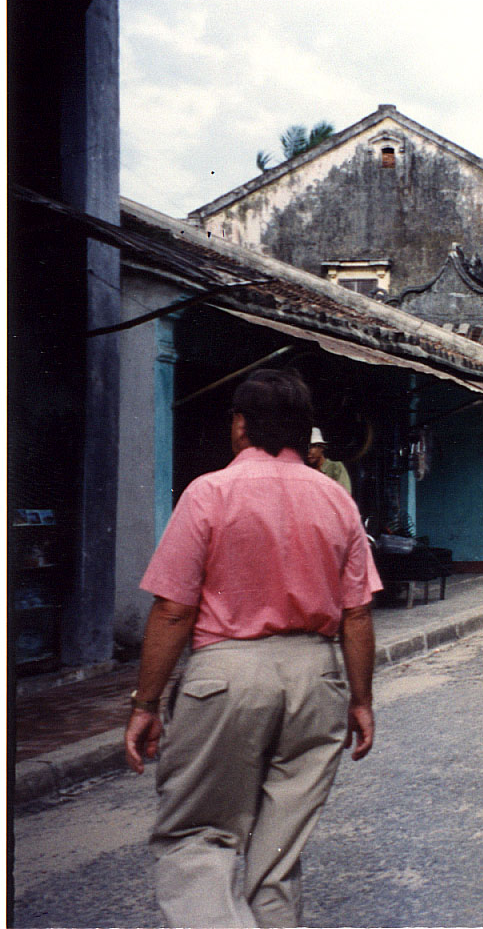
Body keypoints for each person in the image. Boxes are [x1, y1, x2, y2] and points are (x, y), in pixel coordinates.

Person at [124, 368, 381, 928]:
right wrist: (361, 700)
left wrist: (146, 704)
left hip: (225, 679)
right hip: (316, 680)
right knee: (278, 858)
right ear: (299, 432)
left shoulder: (210, 492)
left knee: (197, 839)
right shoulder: (337, 502)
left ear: (239, 425)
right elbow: (356, 612)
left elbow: (173, 610)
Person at [308, 427, 352, 495]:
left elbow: (345, 494)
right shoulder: (305, 469)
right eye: (306, 448)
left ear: (321, 447)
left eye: (312, 447)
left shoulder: (335, 467)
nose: (309, 452)